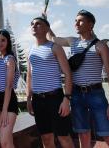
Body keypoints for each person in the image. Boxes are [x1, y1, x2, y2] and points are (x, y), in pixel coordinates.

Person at [48, 10, 109, 148]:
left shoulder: (100, 46)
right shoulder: (72, 42)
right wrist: (46, 23)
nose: (76, 23)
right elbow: (52, 38)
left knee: (108, 134)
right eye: (75, 20)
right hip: (76, 94)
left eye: (80, 21)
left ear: (90, 24)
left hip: (95, 94)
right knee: (83, 134)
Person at [26, 17, 74, 148]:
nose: (34, 26)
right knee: (46, 138)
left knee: (63, 136)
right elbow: (29, 76)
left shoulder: (55, 47)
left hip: (55, 98)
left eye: (38, 24)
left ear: (47, 28)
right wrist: (29, 98)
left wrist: (66, 99)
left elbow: (68, 74)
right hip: (38, 100)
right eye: (32, 24)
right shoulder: (30, 51)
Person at [0, 29, 20, 148]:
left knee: (4, 141)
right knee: (7, 141)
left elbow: (8, 86)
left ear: (8, 42)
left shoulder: (10, 59)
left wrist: (4, 109)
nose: (0, 43)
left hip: (7, 102)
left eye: (3, 40)